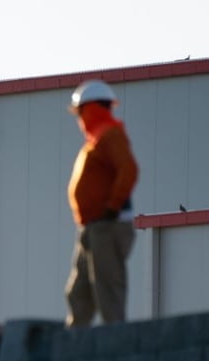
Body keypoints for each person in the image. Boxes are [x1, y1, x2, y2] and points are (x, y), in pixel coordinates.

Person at [65, 79, 139, 327]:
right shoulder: (97, 139)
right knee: (79, 294)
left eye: (80, 112)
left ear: (91, 108)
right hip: (93, 227)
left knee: (108, 293)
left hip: (108, 226)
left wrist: (112, 207)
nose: (79, 118)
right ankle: (73, 346)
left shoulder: (110, 134)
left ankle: (116, 346)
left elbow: (128, 170)